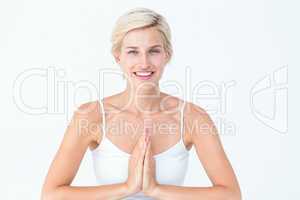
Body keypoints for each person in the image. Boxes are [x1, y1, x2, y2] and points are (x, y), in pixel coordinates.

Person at [41, 7, 241, 200]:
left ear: (167, 55)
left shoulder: (192, 117)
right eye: (133, 52)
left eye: (153, 51)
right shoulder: (91, 115)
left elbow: (231, 195)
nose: (144, 63)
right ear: (118, 56)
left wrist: (155, 190)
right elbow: (51, 195)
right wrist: (127, 187)